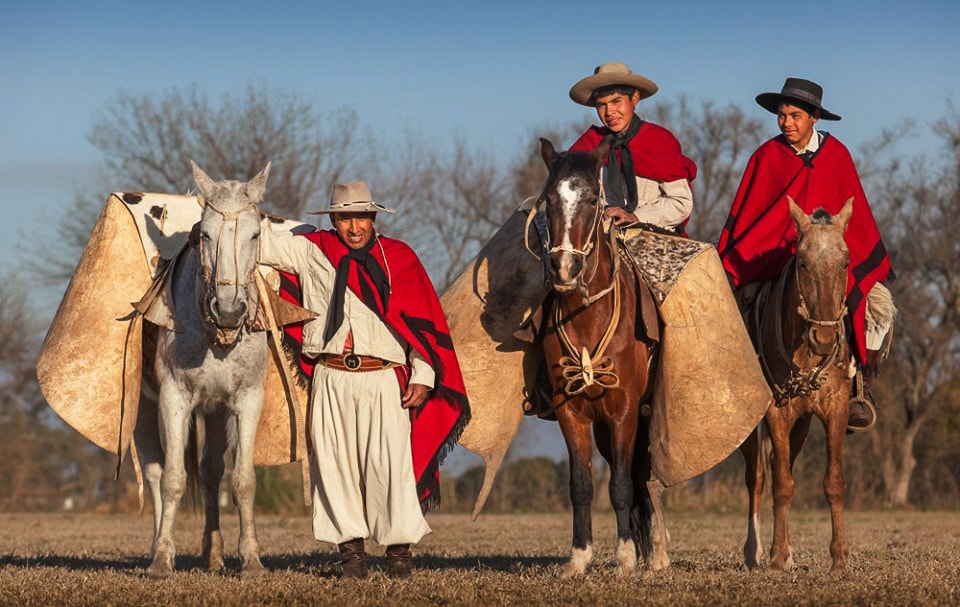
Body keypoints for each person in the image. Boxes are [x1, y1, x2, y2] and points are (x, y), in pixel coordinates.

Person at [258, 181, 470, 579]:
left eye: (361, 217)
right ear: (333, 219)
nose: (354, 227)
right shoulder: (311, 249)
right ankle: (352, 558)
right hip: (330, 375)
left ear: (373, 218)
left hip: (382, 377)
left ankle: (398, 556)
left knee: (389, 467)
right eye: (344, 218)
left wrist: (423, 374)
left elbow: (421, 322)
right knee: (334, 468)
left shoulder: (399, 258)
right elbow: (253, 240)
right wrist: (223, 207)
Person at [716, 77, 895, 432]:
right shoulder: (766, 156)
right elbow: (750, 215)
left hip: (829, 262)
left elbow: (854, 219)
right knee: (734, 308)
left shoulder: (837, 155)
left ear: (814, 117)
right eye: (782, 116)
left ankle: (859, 387)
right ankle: (740, 386)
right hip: (771, 258)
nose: (787, 123)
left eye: (795, 116)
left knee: (878, 309)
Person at [568, 62, 698, 233]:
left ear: (634, 98)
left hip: (653, 240)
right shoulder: (587, 147)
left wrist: (636, 217)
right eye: (601, 105)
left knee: (707, 259)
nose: (609, 112)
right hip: (599, 240)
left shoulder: (658, 141)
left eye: (616, 102)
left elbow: (681, 202)